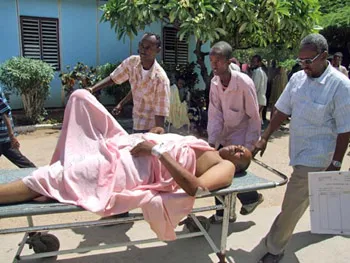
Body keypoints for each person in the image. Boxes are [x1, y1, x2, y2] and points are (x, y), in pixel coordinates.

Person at [0, 89, 252, 241]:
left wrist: (156, 149)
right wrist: (158, 135)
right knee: (81, 98)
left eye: (243, 155)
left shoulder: (224, 167)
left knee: (52, 177)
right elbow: (172, 148)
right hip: (131, 146)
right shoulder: (207, 146)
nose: (239, 149)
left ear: (238, 168)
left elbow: (195, 188)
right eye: (241, 147)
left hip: (135, 167)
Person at [253, 33, 350, 263]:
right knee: (306, 200)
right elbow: (282, 111)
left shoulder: (341, 86)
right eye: (301, 61)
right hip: (297, 151)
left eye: (309, 60)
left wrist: (336, 163)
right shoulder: (297, 79)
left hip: (318, 156)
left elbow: (345, 129)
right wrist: (265, 137)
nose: (304, 65)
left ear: (324, 56)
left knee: (292, 204)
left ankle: (274, 248)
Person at [207, 41, 263, 224]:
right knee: (218, 168)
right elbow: (214, 114)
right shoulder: (215, 82)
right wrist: (212, 141)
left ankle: (248, 200)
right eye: (211, 61)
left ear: (229, 61)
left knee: (233, 172)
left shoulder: (243, 82)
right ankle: (226, 212)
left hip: (241, 133)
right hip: (225, 132)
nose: (214, 66)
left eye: (218, 62)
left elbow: (254, 116)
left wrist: (249, 147)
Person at [86, 32, 170, 133]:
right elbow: (115, 78)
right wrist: (92, 89)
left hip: (151, 128)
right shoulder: (132, 63)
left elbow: (160, 114)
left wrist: (155, 139)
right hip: (136, 123)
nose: (144, 50)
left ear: (158, 50)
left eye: (148, 47)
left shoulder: (160, 79)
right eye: (142, 46)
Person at [0, 87, 36, 168]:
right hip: (4, 137)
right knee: (23, 163)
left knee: (25, 165)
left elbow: (4, 113)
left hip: (3, 137)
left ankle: (38, 177)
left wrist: (12, 137)